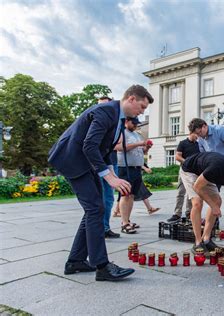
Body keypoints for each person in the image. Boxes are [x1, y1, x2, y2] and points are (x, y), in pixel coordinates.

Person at [48, 84, 153, 281]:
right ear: (131, 99)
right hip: (72, 160)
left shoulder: (118, 118)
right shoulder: (106, 111)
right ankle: (102, 266)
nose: (142, 111)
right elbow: (90, 145)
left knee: (95, 209)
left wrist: (111, 172)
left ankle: (76, 261)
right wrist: (109, 177)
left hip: (84, 163)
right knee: (95, 209)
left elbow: (104, 148)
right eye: (142, 106)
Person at [180, 152, 224, 254]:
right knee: (197, 202)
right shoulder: (216, 168)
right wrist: (213, 206)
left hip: (204, 173)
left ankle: (206, 239)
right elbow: (197, 187)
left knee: (217, 200)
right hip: (190, 170)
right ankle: (197, 242)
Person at [189, 118, 224, 236]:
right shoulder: (200, 139)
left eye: (200, 132)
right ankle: (215, 223)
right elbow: (203, 153)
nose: (199, 136)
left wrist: (223, 161)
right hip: (214, 165)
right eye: (197, 134)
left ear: (204, 126)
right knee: (213, 194)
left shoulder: (220, 130)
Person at [116, 116, 153, 234]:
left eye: (137, 123)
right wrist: (138, 144)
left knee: (131, 195)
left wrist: (146, 147)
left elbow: (142, 152)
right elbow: (118, 148)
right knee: (125, 195)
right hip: (125, 168)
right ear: (127, 121)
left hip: (137, 169)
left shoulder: (136, 134)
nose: (136, 125)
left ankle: (127, 220)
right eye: (134, 123)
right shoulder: (122, 133)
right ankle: (124, 223)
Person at [97, 96, 120, 239]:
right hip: (96, 164)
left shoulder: (115, 122)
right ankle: (97, 228)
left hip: (110, 162)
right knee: (97, 199)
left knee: (109, 198)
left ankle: (105, 227)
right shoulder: (95, 122)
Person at [167, 130, 200, 223]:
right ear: (191, 132)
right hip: (184, 171)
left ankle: (189, 213)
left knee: (192, 194)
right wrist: (187, 162)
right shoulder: (183, 143)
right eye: (196, 134)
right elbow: (177, 156)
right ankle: (177, 214)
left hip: (194, 172)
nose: (197, 136)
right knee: (180, 192)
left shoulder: (198, 145)